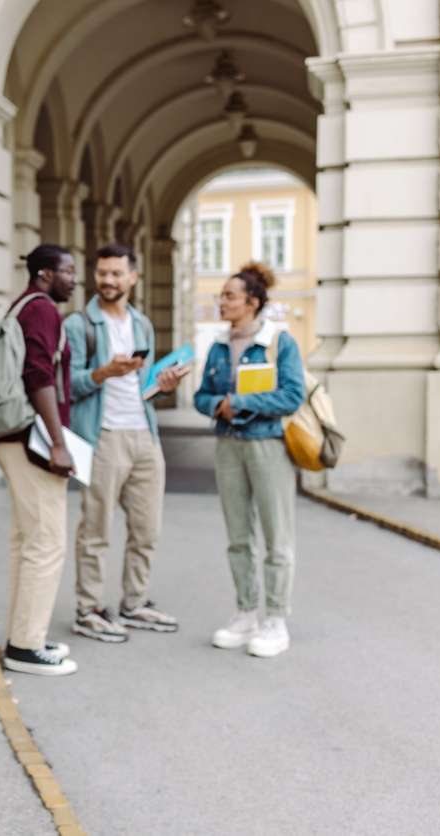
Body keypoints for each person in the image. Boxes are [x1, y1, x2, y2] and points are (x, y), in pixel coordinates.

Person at [64, 242, 189, 643]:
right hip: (103, 437)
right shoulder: (79, 325)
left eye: (117, 273)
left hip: (145, 436)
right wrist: (103, 372)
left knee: (146, 529)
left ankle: (134, 604)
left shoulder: (142, 324)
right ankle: (89, 609)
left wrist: (163, 385)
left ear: (132, 277)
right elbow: (67, 386)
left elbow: (145, 386)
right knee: (96, 529)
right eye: (103, 273)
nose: (108, 280)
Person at [193, 261, 304, 658]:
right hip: (228, 444)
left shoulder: (279, 342)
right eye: (221, 295)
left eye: (228, 295)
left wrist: (237, 402)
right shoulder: (219, 346)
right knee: (238, 537)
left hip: (267, 443)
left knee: (277, 536)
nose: (220, 301)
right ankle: (246, 613)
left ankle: (276, 618)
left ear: (252, 303)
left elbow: (292, 395)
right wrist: (216, 404)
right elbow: (200, 395)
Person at [0, 244, 79, 676]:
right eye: (68, 271)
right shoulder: (42, 311)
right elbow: (39, 376)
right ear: (45, 273)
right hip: (32, 440)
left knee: (26, 540)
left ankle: (25, 635)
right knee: (46, 541)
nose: (74, 280)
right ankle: (26, 647)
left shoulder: (19, 306)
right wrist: (59, 443)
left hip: (10, 437)